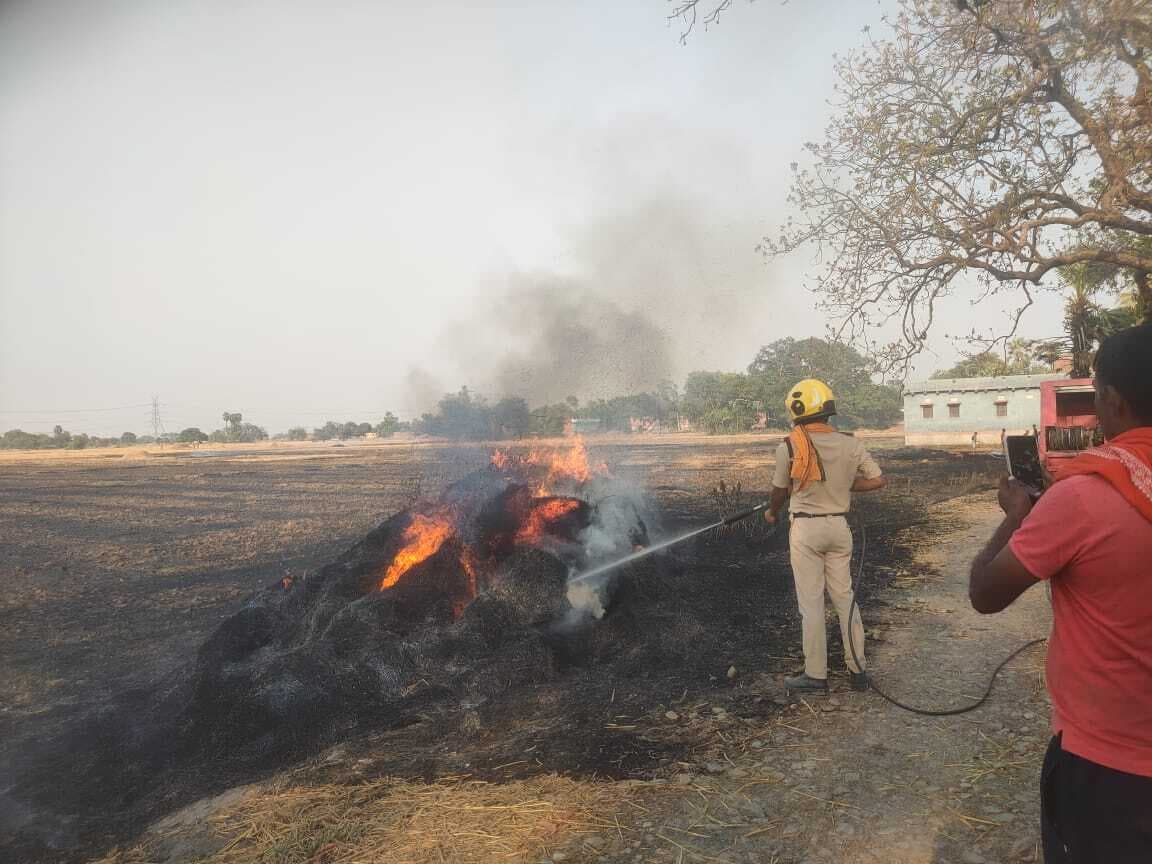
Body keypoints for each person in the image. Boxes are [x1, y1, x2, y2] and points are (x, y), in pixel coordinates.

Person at [969, 323, 1152, 863]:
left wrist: (1016, 518)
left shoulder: (1082, 497)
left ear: (1112, 399)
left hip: (1111, 771)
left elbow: (985, 592)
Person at [765, 378, 887, 693]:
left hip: (806, 529)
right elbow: (877, 480)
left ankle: (816, 675)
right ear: (827, 410)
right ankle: (858, 671)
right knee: (845, 597)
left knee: (812, 603)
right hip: (839, 528)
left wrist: (771, 511)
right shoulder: (852, 444)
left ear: (796, 409)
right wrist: (844, 486)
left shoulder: (789, 446)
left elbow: (780, 491)